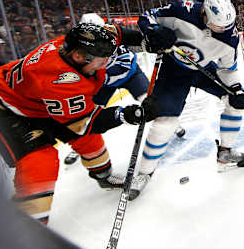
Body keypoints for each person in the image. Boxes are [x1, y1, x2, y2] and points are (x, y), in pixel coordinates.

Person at [0, 23, 158, 223]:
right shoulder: (60, 81)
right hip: (4, 108)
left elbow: (112, 33)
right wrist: (124, 114)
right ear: (79, 57)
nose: (107, 61)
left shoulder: (73, 45)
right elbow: (85, 123)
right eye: (102, 57)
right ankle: (26, 228)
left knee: (87, 140)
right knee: (40, 160)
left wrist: (145, 39)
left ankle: (103, 176)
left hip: (34, 99)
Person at [128, 0, 244, 200]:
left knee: (235, 102)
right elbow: (147, 16)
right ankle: (145, 172)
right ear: (204, 13)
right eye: (219, 26)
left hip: (203, 70)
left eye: (228, 26)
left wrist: (236, 88)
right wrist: (154, 31)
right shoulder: (182, 10)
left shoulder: (230, 37)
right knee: (165, 122)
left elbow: (228, 69)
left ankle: (225, 152)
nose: (224, 30)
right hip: (173, 71)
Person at [63, 14, 185, 165]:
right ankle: (78, 148)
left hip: (130, 75)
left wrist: (152, 42)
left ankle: (172, 126)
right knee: (90, 115)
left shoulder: (111, 37)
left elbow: (129, 49)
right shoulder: (82, 47)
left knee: (150, 102)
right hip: (105, 83)